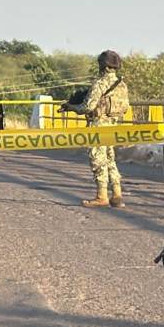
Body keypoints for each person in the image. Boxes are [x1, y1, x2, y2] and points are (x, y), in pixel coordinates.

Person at [61, 50, 130, 208]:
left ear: (102, 66)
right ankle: (117, 195)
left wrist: (71, 107)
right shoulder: (122, 84)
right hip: (113, 125)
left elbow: (87, 107)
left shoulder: (100, 83)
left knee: (98, 160)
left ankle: (102, 196)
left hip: (98, 125)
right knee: (110, 159)